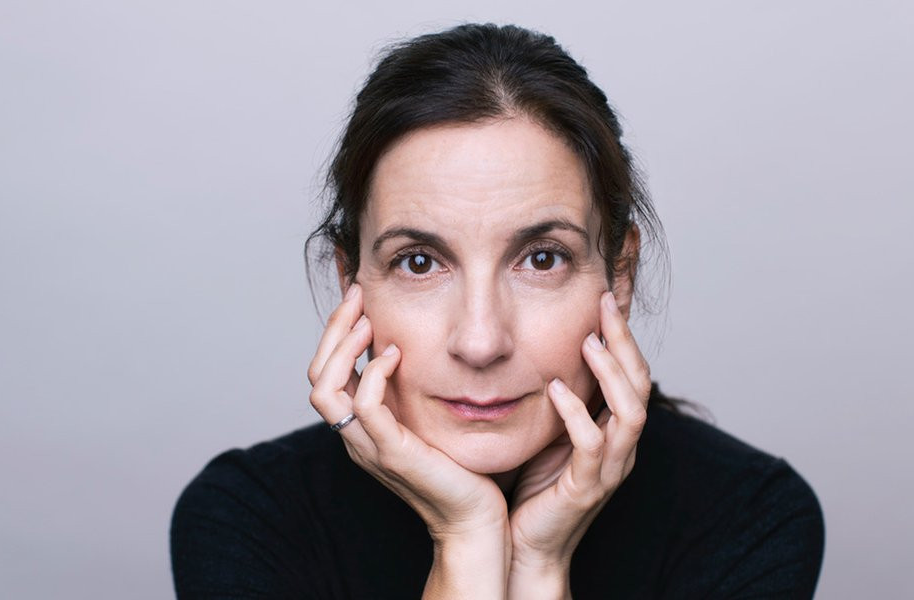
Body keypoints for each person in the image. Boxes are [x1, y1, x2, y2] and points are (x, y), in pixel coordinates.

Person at [170, 23, 824, 599]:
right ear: (352, 282)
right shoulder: (244, 518)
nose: (481, 342)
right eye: (419, 262)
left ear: (619, 274)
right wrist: (465, 539)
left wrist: (539, 564)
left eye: (541, 259)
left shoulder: (748, 516)